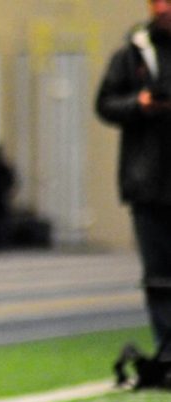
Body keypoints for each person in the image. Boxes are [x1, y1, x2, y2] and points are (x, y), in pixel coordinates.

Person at [96, 0, 171, 361]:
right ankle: (166, 349)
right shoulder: (132, 54)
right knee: (157, 275)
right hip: (148, 182)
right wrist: (138, 104)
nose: (163, 8)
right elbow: (105, 103)